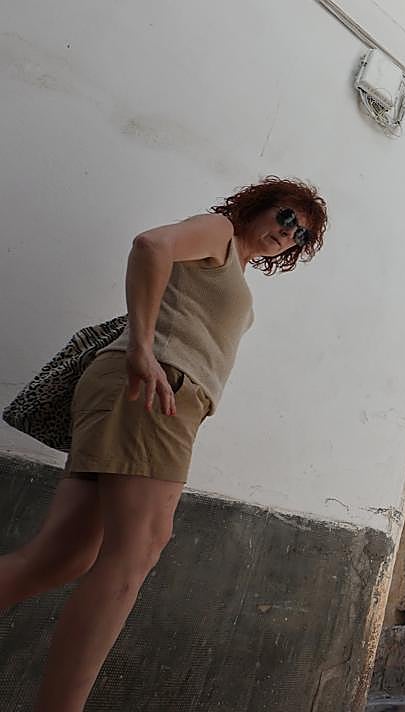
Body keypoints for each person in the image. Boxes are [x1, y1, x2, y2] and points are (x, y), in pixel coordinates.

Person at [0, 176, 327, 712]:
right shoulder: (218, 232)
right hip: (156, 389)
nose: (289, 234)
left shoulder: (234, 268)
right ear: (258, 207)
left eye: (301, 235)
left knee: (60, 557)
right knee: (138, 551)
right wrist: (142, 347)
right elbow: (151, 244)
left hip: (150, 395)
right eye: (286, 217)